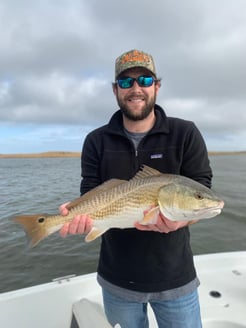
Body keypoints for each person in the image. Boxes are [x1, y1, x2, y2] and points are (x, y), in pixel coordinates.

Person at [59, 49, 212, 328]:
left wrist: (180, 222)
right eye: (126, 82)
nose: (136, 88)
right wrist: (75, 214)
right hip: (117, 280)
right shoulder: (95, 141)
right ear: (116, 90)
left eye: (144, 79)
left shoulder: (186, 133)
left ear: (157, 85)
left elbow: (202, 190)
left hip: (176, 279)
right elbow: (90, 192)